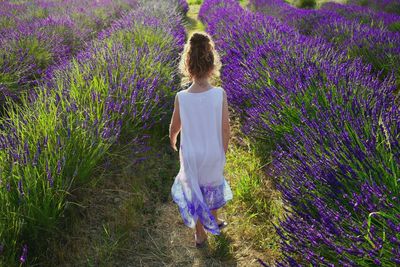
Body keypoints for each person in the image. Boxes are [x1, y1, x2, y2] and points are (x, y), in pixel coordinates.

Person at [169, 31, 233, 248]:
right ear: (212, 64)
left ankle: (200, 234)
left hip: (191, 156)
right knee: (212, 188)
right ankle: (213, 219)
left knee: (195, 192)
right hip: (213, 153)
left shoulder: (182, 97)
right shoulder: (219, 94)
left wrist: (172, 138)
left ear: (187, 65)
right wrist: (222, 151)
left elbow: (175, 127)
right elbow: (226, 129)